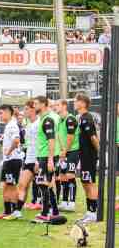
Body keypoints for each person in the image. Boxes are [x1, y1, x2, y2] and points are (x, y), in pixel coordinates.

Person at [33, 95, 61, 222]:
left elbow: (51, 140)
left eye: (36, 103)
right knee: (47, 184)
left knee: (43, 183)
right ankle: (54, 211)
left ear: (43, 104)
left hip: (47, 156)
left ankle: (45, 213)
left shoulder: (48, 120)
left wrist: (50, 159)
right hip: (43, 156)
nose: (34, 106)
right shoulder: (43, 119)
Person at [13, 100, 41, 218]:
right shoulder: (29, 124)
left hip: (38, 159)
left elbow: (42, 143)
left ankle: (49, 210)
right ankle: (18, 211)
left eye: (26, 109)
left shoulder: (40, 123)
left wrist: (38, 160)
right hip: (28, 159)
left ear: (32, 109)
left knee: (45, 186)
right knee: (22, 184)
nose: (24, 112)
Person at [74, 93, 100, 223]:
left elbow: (93, 137)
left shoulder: (86, 118)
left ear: (83, 103)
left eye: (76, 101)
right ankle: (89, 212)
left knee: (89, 183)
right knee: (85, 183)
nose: (74, 102)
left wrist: (99, 153)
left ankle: (93, 212)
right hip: (84, 155)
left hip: (89, 156)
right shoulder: (81, 118)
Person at [0, 105, 23, 220]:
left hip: (13, 159)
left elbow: (16, 141)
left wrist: (8, 152)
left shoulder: (12, 125)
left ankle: (15, 211)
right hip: (9, 160)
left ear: (8, 112)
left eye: (1, 113)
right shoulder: (9, 125)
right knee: (6, 185)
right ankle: (7, 211)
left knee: (11, 185)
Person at [56, 98, 79, 212]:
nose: (56, 107)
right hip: (63, 152)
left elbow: (70, 137)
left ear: (64, 106)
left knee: (70, 175)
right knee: (62, 177)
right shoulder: (60, 120)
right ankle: (64, 202)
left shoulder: (70, 119)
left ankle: (72, 202)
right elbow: (60, 136)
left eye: (58, 105)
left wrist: (65, 151)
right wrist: (61, 150)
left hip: (72, 151)